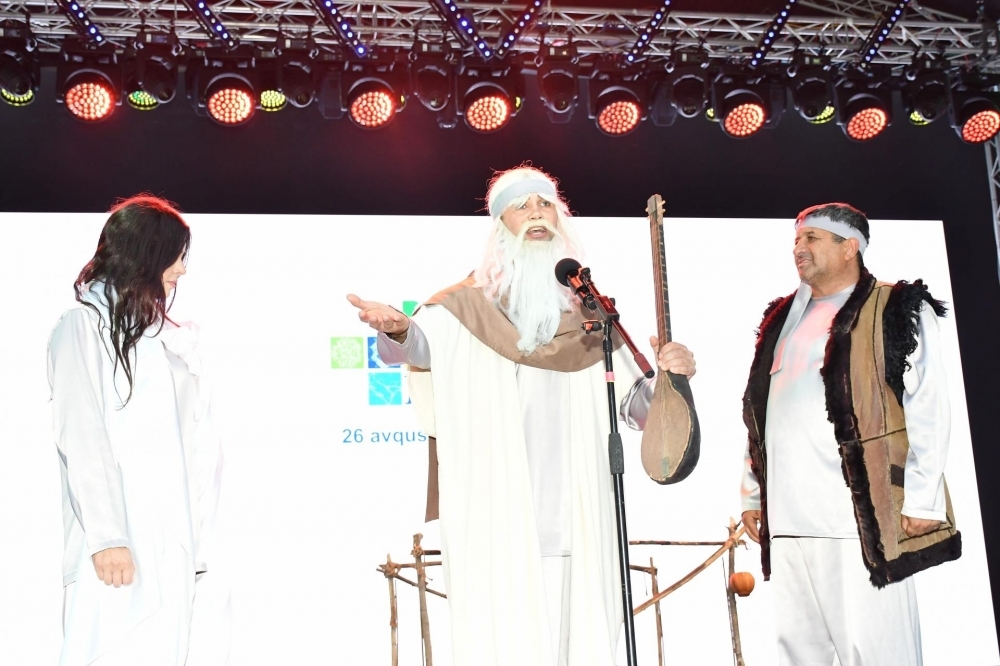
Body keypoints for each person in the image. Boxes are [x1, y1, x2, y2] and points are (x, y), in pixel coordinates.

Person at [347, 165, 696, 666]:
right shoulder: (463, 307)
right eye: (522, 206)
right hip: (500, 516)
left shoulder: (594, 314)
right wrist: (398, 329)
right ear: (500, 228)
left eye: (545, 204)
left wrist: (670, 380)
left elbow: (637, 409)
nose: (537, 213)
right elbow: (418, 348)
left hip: (580, 516)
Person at [739, 203, 961, 665]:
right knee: (799, 656)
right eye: (796, 240)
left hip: (859, 522)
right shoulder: (781, 318)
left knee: (879, 653)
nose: (799, 248)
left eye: (812, 238)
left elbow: (929, 405)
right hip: (790, 525)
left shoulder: (895, 307)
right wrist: (754, 494)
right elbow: (762, 412)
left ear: (850, 247)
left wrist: (922, 500)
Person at [48, 196, 228, 666]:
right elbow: (82, 434)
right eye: (176, 255)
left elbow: (196, 444)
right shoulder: (82, 326)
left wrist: (199, 543)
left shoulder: (168, 340)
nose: (182, 270)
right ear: (146, 253)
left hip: (174, 544)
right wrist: (108, 537)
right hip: (116, 543)